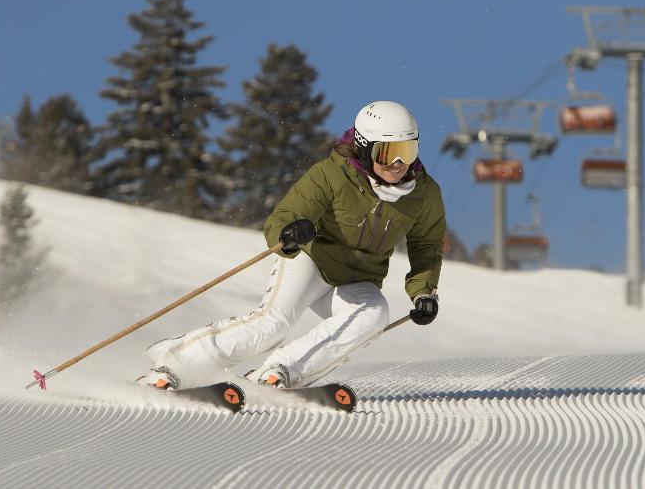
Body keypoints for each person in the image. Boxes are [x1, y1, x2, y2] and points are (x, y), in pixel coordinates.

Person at [143, 101, 446, 390]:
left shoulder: (424, 193)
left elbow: (427, 244)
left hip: (358, 277)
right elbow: (286, 215)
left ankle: (282, 371)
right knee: (272, 325)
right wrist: (290, 233)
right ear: (365, 150)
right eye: (388, 153)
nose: (398, 164)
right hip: (311, 260)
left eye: (407, 151)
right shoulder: (332, 175)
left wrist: (423, 292)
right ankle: (174, 364)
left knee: (374, 313)